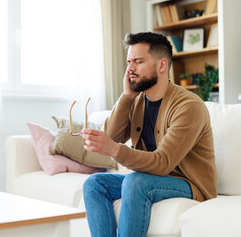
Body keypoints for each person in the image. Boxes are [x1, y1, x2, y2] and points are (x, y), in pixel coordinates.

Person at [81, 32, 217, 237]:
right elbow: (112, 135)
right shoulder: (137, 100)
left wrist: (114, 149)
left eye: (138, 61)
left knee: (135, 182)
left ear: (162, 65)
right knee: (94, 184)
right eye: (128, 62)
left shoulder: (188, 106)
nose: (130, 69)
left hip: (189, 184)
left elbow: (162, 163)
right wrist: (127, 96)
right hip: (152, 179)